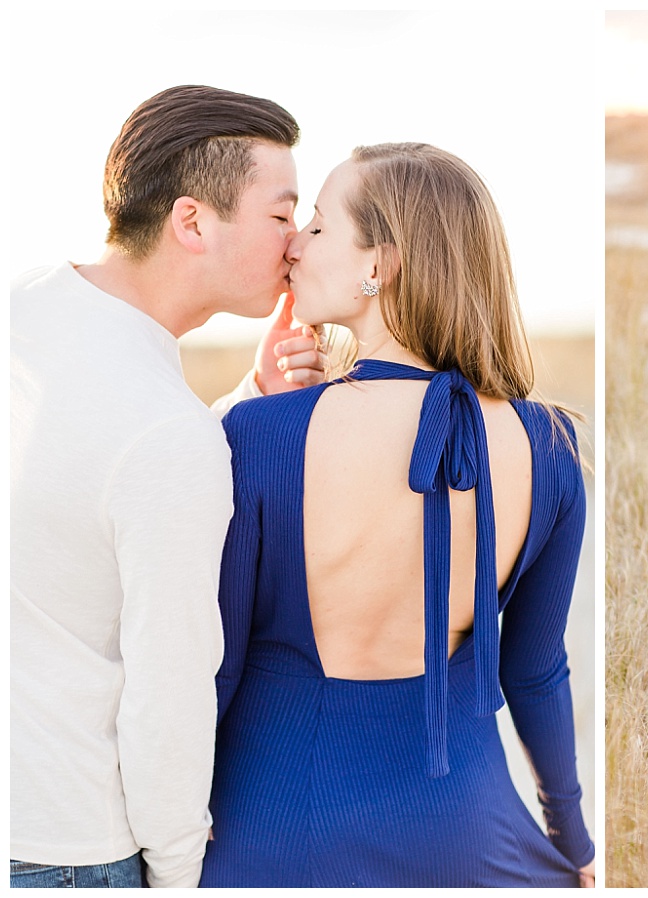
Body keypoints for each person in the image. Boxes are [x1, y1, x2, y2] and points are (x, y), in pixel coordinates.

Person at [197, 142, 595, 887]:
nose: (292, 246)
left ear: (378, 263)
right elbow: (538, 669)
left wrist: (162, 831)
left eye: (316, 226)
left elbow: (208, 671)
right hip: (467, 836)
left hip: (276, 831)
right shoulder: (550, 445)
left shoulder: (260, 435)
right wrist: (572, 840)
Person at [10, 85, 304, 887]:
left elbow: (89, 489)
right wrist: (176, 874)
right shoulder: (163, 434)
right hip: (71, 849)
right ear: (191, 221)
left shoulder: (25, 304)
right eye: (282, 216)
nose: (298, 244)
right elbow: (166, 696)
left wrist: (242, 402)